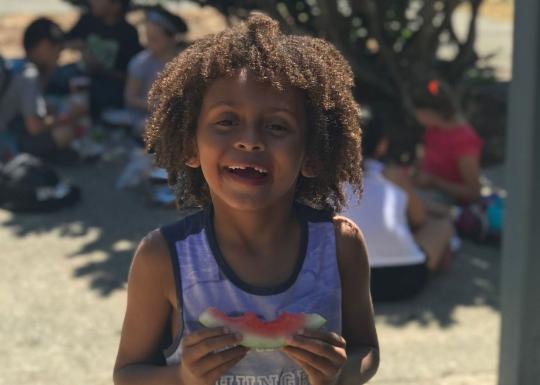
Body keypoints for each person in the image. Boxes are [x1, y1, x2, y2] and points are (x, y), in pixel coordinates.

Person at [113, 13, 379, 385]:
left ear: (312, 155)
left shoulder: (339, 244)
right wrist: (184, 377)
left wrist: (340, 373)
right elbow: (127, 374)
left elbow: (367, 349)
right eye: (226, 122)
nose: (249, 140)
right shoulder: (163, 257)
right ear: (191, 146)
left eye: (277, 126)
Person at [341, 115, 454, 302]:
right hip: (405, 279)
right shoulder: (392, 175)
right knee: (442, 226)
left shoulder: (326, 179)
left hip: (347, 283)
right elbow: (419, 218)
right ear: (382, 145)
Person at [0, 18, 77, 162]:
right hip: (7, 143)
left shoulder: (16, 66)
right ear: (44, 46)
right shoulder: (29, 75)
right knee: (65, 134)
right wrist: (65, 118)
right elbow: (34, 128)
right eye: (58, 50)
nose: (59, 58)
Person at [411, 79, 483, 205]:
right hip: (429, 194)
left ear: (430, 112)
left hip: (453, 205)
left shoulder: (463, 140)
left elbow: (473, 192)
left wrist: (435, 182)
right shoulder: (433, 130)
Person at [66, 0, 142, 118]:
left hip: (109, 89)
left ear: (116, 5)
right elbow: (65, 41)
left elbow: (130, 76)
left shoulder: (128, 33)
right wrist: (78, 46)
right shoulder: (88, 21)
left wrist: (101, 69)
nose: (92, 2)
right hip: (81, 78)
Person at [124, 5, 187, 133]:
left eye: (154, 39)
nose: (149, 43)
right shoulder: (140, 62)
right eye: (147, 38)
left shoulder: (185, 63)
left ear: (172, 39)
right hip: (145, 118)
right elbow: (130, 97)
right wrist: (153, 105)